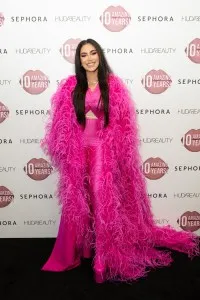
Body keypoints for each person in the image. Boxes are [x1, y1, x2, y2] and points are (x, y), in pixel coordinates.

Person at [41, 38, 199, 283]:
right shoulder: (70, 86)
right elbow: (62, 126)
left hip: (102, 149)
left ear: (100, 56)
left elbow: (122, 127)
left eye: (93, 53)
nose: (89, 59)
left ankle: (102, 258)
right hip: (77, 150)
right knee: (78, 200)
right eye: (84, 55)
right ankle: (78, 250)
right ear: (79, 60)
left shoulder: (112, 85)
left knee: (101, 197)